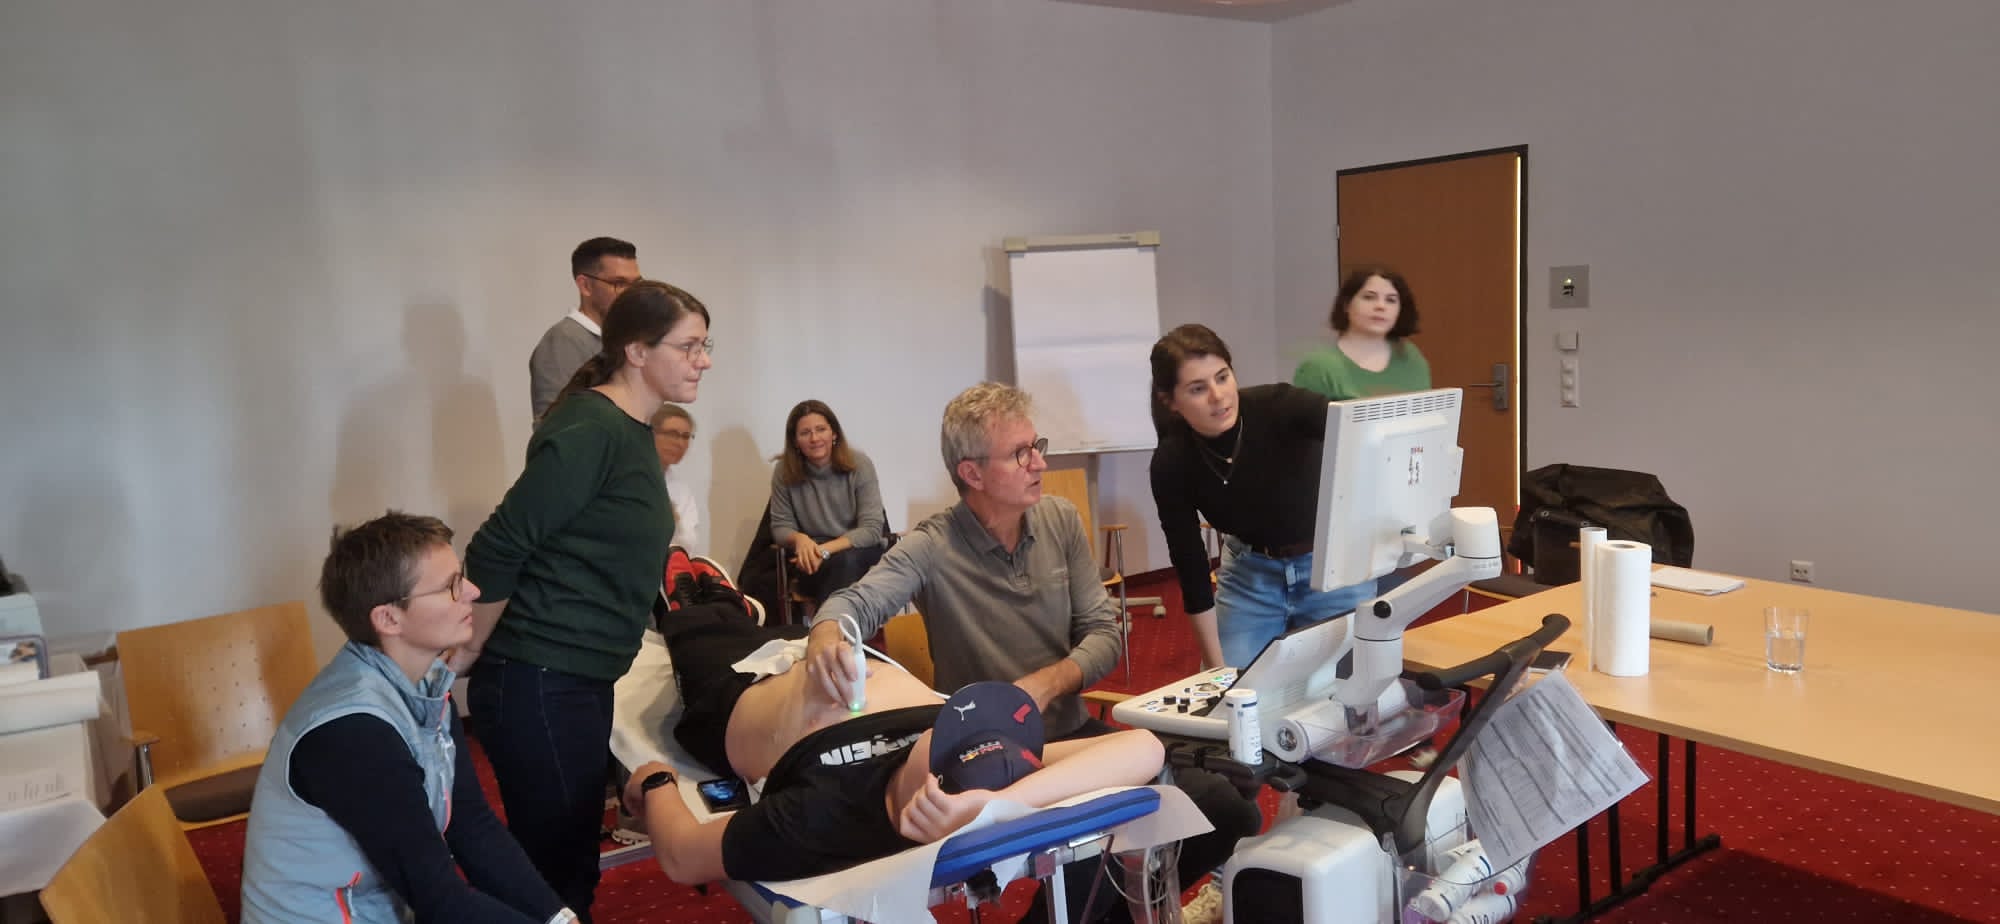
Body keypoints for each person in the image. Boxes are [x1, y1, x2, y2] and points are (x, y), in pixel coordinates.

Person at [806, 382, 1260, 923]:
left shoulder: (1059, 519)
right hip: (988, 760)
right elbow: (854, 603)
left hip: (1072, 736)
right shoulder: (931, 545)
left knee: (1230, 811)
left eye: (1036, 445)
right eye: (1021, 453)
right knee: (1089, 845)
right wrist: (827, 633)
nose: (1040, 462)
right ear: (973, 474)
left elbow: (1105, 634)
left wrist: (1046, 684)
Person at [627, 553, 1165, 886]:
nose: (954, 725)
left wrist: (653, 781)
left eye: (951, 739)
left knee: (696, 625)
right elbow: (1145, 747)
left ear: (935, 788)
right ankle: (735, 605)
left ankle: (702, 599)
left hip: (735, 683)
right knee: (773, 626)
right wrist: (996, 808)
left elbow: (682, 857)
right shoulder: (994, 772)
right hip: (827, 654)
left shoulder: (824, 816)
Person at [457, 280, 713, 920]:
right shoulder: (590, 428)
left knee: (569, 861)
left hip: (576, 674)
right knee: (556, 870)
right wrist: (463, 653)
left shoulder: (630, 428)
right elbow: (499, 544)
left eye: (705, 346)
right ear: (637, 351)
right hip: (538, 675)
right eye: (689, 347)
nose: (703, 361)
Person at [241, 511, 574, 924]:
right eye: (451, 586)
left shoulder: (425, 685)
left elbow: (471, 827)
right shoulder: (354, 733)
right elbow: (440, 899)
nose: (472, 591)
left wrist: (560, 918)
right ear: (388, 618)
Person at [1149, 323, 1377, 672]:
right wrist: (1217, 672)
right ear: (1171, 402)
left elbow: (1362, 425)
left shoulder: (1280, 405)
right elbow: (1190, 567)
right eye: (1198, 389)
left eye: (1222, 377)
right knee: (1233, 690)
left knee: (1349, 686)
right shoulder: (1172, 460)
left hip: (1331, 564)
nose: (1218, 396)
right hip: (1250, 576)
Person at [768, 399, 888, 606]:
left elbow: (871, 530)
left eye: (821, 429)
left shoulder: (860, 464)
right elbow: (780, 527)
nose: (814, 438)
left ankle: (830, 624)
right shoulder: (783, 470)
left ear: (834, 433)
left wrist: (824, 551)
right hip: (812, 558)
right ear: (795, 441)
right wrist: (799, 539)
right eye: (805, 433)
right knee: (831, 569)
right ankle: (838, 625)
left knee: (845, 563)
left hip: (859, 549)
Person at [529, 237, 641, 421]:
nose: (631, 293)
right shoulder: (563, 341)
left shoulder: (626, 340)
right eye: (619, 283)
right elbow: (553, 425)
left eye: (636, 283)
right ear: (585, 286)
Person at [1292, 265, 1432, 401]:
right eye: (1369, 297)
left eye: (1391, 300)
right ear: (1347, 304)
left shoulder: (1411, 357)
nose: (1381, 306)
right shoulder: (1318, 367)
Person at [650, 403, 703, 555]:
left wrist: (675, 523)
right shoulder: (629, 478)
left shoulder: (682, 490)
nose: (680, 443)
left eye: (685, 436)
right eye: (672, 434)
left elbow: (688, 543)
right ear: (650, 433)